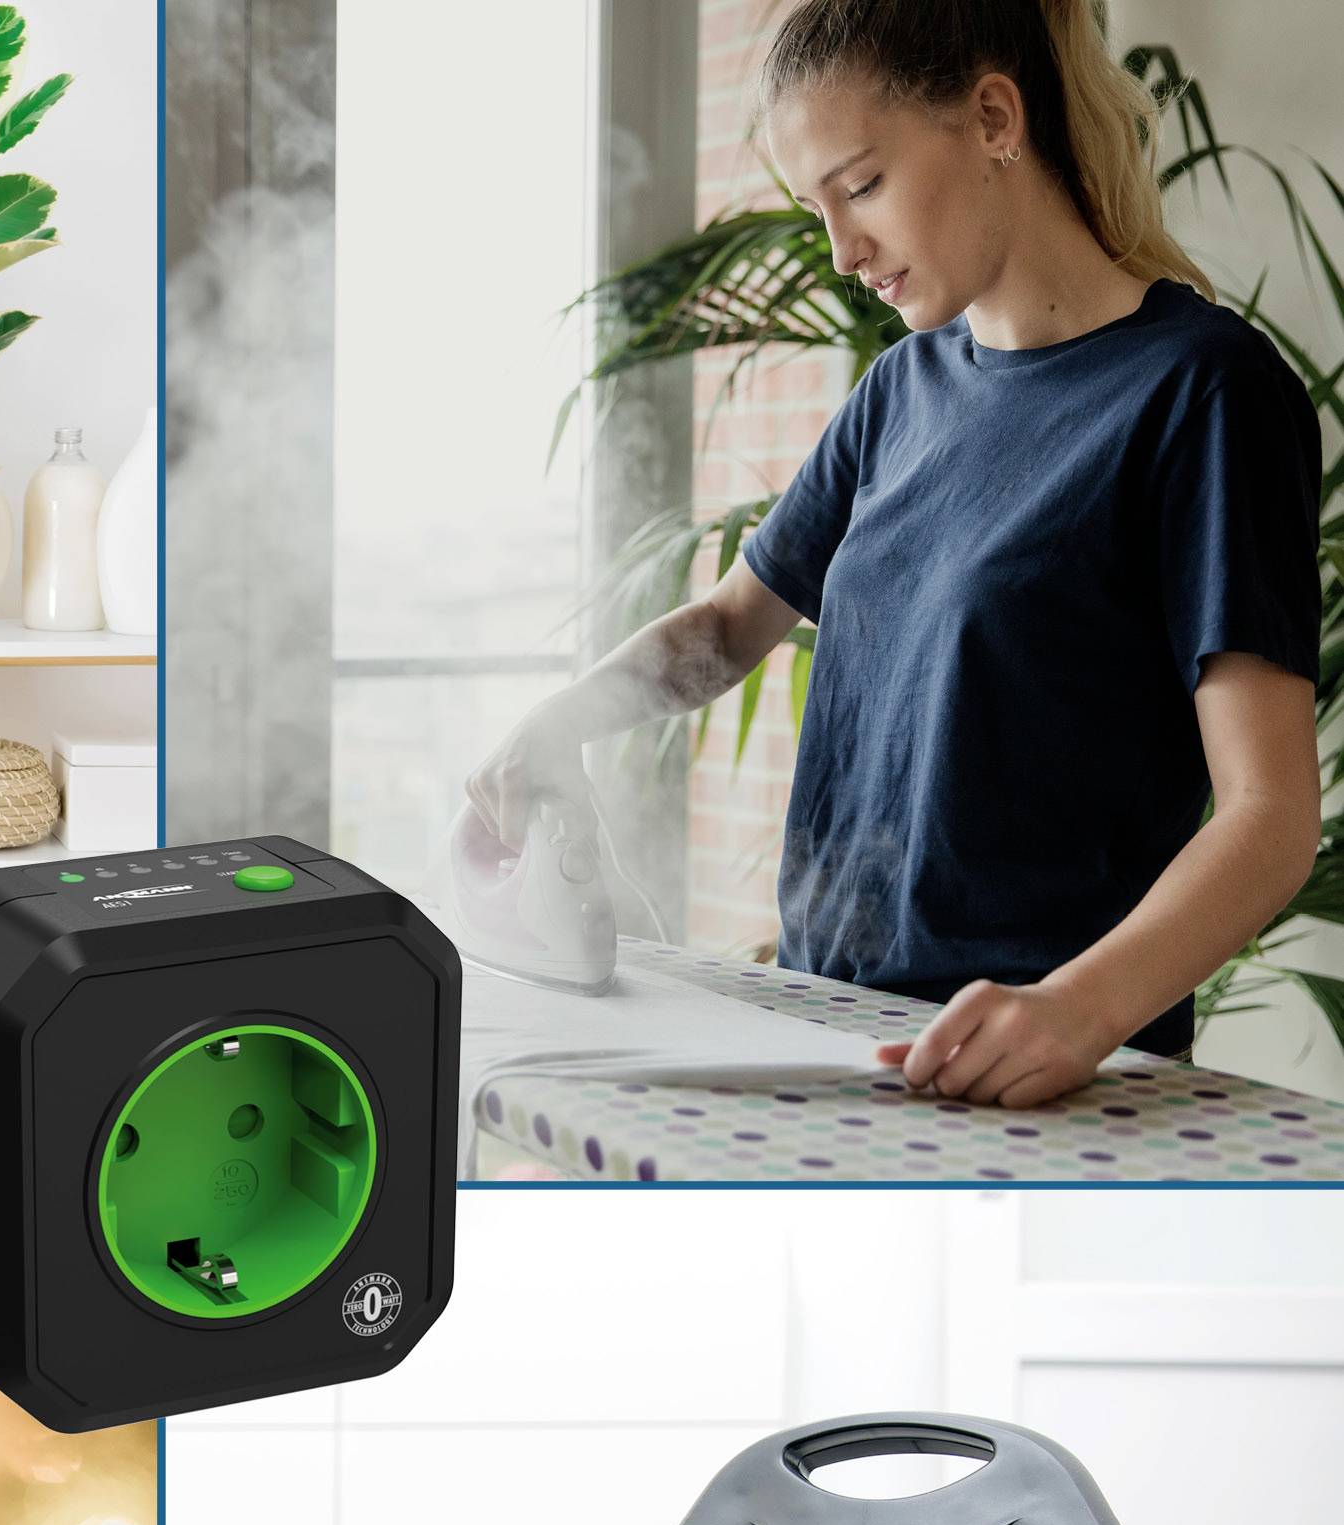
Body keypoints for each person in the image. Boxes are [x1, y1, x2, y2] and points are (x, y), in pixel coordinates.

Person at [468, 0, 1321, 1108]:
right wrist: (557, 722)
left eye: (860, 185)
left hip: (1042, 1080)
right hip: (832, 1037)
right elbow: (729, 627)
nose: (839, 251)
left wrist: (1076, 1010)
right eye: (814, 208)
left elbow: (1270, 817)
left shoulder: (1199, 391)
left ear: (993, 119)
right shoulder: (897, 395)